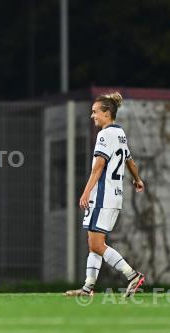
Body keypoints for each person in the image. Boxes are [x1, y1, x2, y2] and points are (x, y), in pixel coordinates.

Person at [65, 92, 145, 297]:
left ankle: (132, 275)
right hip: (114, 196)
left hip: (103, 195)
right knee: (93, 243)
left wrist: (86, 191)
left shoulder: (104, 135)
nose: (92, 116)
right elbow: (130, 161)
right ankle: (87, 288)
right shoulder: (120, 134)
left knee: (97, 244)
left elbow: (98, 167)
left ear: (107, 113)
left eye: (95, 112)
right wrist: (137, 179)